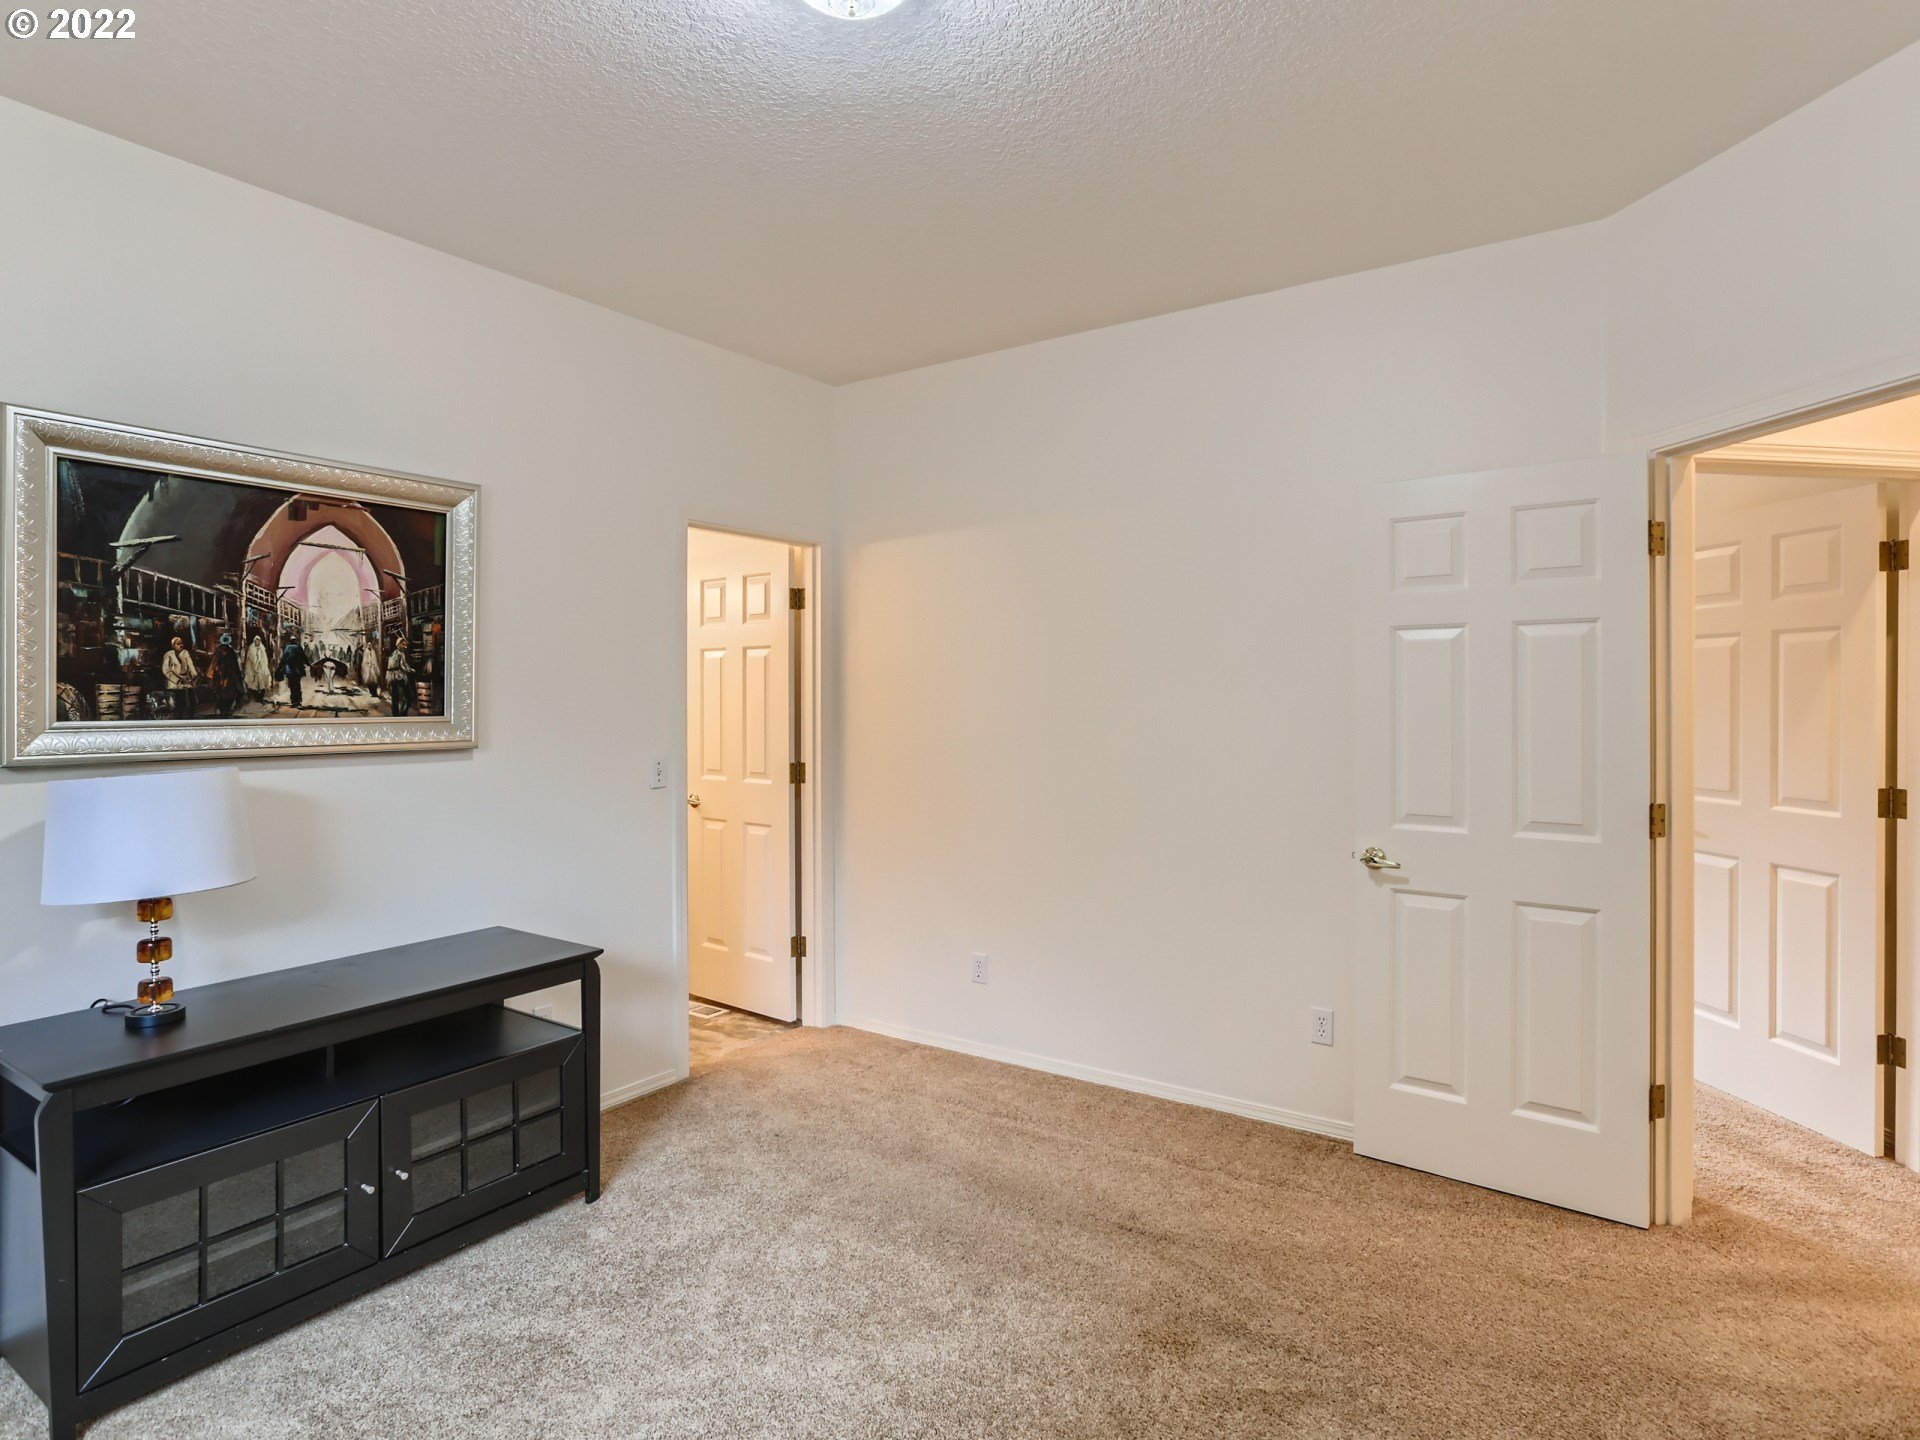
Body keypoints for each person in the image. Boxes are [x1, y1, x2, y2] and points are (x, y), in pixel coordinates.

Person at [206, 634, 244, 718]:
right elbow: (235, 665)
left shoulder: (222, 651)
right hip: (223, 675)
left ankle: (225, 709)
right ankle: (225, 709)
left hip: (225, 675)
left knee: (224, 691)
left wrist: (211, 673)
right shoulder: (229, 651)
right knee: (225, 691)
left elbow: (214, 664)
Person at [161, 635, 198, 718]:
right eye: (178, 644)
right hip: (174, 682)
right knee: (179, 703)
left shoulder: (185, 653)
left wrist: (194, 676)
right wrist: (177, 680)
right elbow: (166, 670)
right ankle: (178, 718)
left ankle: (191, 718)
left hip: (186, 680)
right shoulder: (168, 655)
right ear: (173, 646)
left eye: (181, 643)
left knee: (192, 699)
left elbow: (191, 666)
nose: (181, 645)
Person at [277, 634, 308, 709]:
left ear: (290, 641)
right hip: (297, 670)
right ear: (295, 641)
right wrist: (308, 664)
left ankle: (293, 701)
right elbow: (304, 657)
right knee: (297, 685)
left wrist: (280, 667)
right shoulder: (299, 647)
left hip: (289, 670)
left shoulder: (287, 648)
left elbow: (283, 659)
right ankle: (298, 701)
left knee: (291, 686)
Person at [386, 637, 412, 716]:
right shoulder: (400, 654)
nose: (405, 646)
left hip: (392, 676)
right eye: (403, 644)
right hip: (398, 676)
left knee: (395, 696)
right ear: (399, 645)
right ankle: (403, 712)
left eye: (405, 645)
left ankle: (396, 713)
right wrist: (410, 670)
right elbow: (403, 666)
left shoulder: (394, 653)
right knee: (409, 695)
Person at [242, 632, 272, 701]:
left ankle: (261, 697)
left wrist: (263, 666)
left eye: (258, 641)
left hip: (261, 668)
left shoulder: (262, 649)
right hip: (252, 669)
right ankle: (256, 697)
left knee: (262, 682)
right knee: (253, 683)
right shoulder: (251, 648)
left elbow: (264, 659)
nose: (257, 642)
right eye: (256, 641)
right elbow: (249, 659)